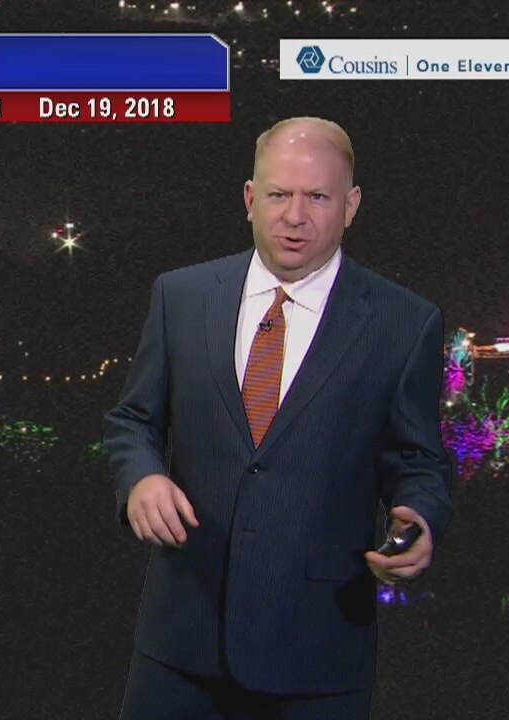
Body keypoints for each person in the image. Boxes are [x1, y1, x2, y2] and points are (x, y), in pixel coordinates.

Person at [103, 116, 452, 719]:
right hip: (180, 640)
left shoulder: (403, 322)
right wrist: (141, 477)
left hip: (317, 652)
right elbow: (133, 419)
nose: (295, 216)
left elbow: (417, 459)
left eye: (317, 197)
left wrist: (420, 516)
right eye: (278, 194)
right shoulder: (181, 296)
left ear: (351, 206)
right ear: (249, 198)